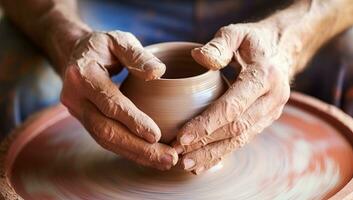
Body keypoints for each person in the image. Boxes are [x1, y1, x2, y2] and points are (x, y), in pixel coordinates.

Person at [0, 0, 352, 174]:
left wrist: (286, 40)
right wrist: (65, 36)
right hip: (104, 10)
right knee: (24, 80)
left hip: (275, 10)